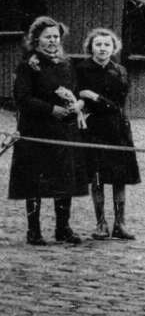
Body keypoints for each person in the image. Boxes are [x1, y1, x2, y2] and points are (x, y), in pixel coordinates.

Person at [9, 16, 87, 248]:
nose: (53, 41)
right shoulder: (28, 65)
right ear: (36, 39)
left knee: (64, 180)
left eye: (56, 37)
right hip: (36, 132)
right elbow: (22, 98)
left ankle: (63, 228)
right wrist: (51, 109)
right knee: (34, 181)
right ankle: (34, 231)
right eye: (48, 37)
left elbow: (76, 91)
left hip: (64, 133)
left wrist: (76, 105)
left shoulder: (66, 64)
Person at [75, 28, 140, 241]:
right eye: (98, 45)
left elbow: (117, 104)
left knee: (120, 177)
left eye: (107, 45)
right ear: (90, 47)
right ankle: (101, 223)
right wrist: (84, 98)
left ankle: (120, 223)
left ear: (113, 48)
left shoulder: (120, 70)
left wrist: (93, 96)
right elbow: (77, 96)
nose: (102, 49)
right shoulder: (82, 70)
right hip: (95, 129)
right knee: (98, 177)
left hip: (118, 128)